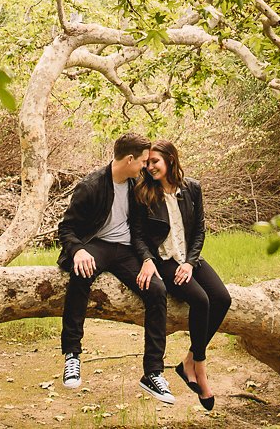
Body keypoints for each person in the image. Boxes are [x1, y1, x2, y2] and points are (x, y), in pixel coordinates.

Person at [55, 132, 176, 404]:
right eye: (144, 161)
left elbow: (140, 230)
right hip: (96, 245)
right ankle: (72, 355)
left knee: (157, 289)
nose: (147, 166)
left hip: (127, 250)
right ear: (130, 159)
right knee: (80, 273)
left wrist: (147, 260)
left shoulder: (136, 184)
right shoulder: (91, 185)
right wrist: (78, 250)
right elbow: (66, 228)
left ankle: (153, 373)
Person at [130, 139, 229, 411]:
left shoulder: (192, 188)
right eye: (147, 163)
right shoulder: (143, 192)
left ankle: (188, 362)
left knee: (222, 299)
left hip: (190, 259)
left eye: (155, 162)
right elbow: (137, 236)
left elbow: (199, 230)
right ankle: (201, 368)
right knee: (201, 300)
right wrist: (148, 260)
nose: (149, 167)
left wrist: (191, 262)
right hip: (164, 261)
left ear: (170, 160)